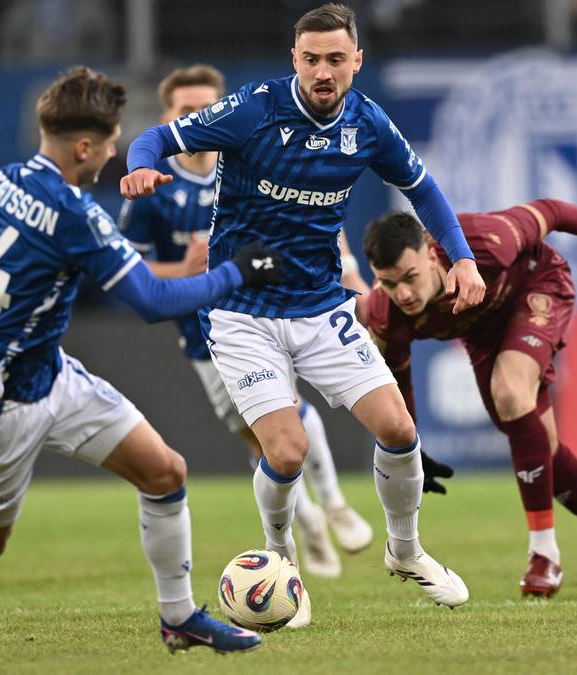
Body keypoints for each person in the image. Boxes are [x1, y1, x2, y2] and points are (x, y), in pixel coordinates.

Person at [0, 66, 285, 654]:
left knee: (165, 473)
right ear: (84, 146)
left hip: (52, 376)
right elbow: (152, 301)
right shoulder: (75, 216)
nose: (114, 151)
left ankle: (179, 617)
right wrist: (237, 272)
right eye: (111, 141)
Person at [121, 2, 485, 617]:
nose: (322, 71)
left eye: (335, 59)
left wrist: (465, 259)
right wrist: (139, 169)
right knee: (286, 451)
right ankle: (280, 562)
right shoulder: (254, 110)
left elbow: (422, 188)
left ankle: (405, 551)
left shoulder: (367, 123)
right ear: (294, 58)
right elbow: (155, 138)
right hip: (241, 311)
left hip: (319, 307)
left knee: (399, 430)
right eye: (311, 59)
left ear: (357, 61)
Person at [118, 64, 374, 583]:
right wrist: (182, 270)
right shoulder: (157, 191)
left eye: (206, 108)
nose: (199, 117)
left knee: (291, 412)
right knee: (259, 441)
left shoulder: (251, 155)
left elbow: (316, 213)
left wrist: (350, 272)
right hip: (203, 334)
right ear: (170, 118)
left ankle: (335, 504)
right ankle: (311, 524)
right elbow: (127, 270)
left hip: (270, 309)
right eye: (187, 110)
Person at [351, 199, 577, 597]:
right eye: (388, 283)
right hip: (483, 334)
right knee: (539, 445)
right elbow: (400, 383)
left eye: (410, 277)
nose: (402, 293)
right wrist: (413, 448)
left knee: (510, 393)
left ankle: (544, 555)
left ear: (431, 253)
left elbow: (552, 212)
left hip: (538, 286)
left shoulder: (485, 241)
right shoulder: (387, 315)